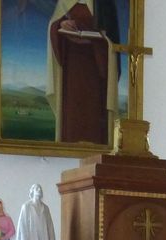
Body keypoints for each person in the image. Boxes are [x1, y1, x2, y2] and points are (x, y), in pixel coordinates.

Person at [46, 0, 120, 144]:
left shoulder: (105, 4)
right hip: (72, 67)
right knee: (73, 108)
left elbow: (112, 37)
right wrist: (61, 24)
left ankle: (97, 142)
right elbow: (54, 24)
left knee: (93, 109)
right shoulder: (64, 2)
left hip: (95, 65)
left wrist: (101, 37)